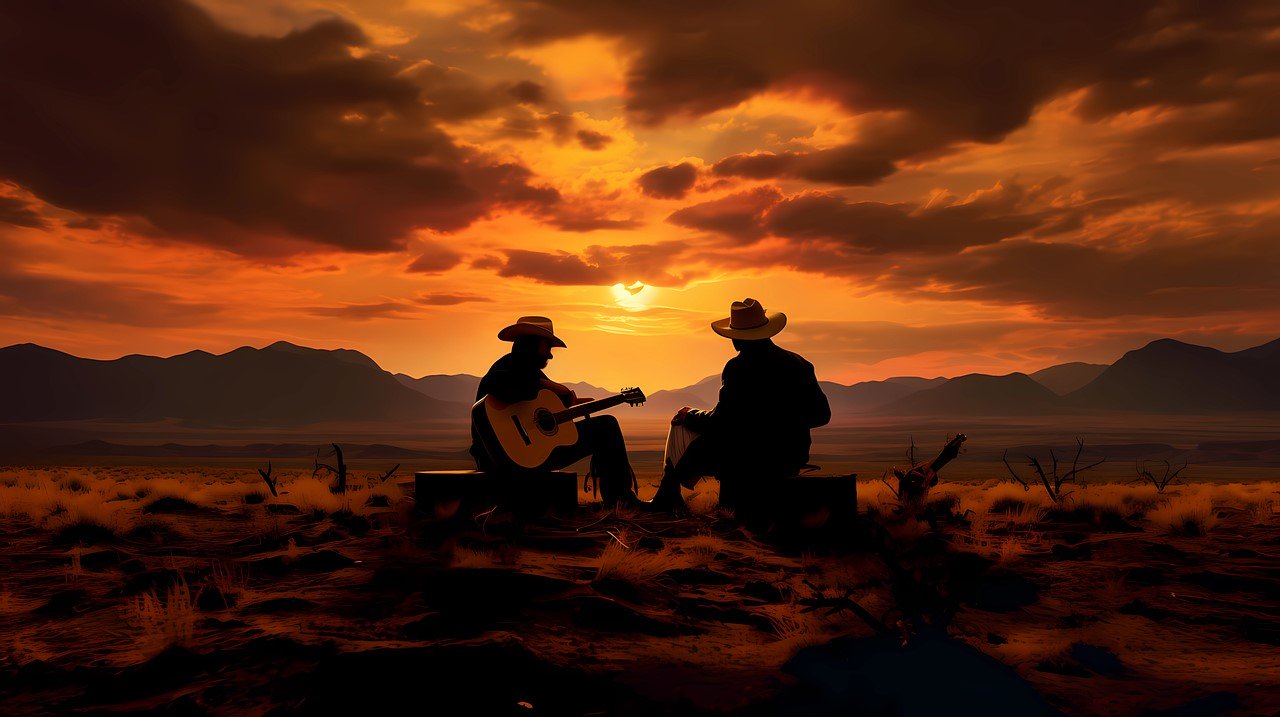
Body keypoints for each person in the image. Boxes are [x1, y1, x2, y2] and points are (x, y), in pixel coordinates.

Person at [648, 298, 831, 520]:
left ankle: (668, 495)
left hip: (744, 458)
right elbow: (822, 415)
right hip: (790, 456)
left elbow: (721, 423)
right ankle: (669, 495)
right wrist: (785, 421)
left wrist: (690, 415)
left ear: (736, 338)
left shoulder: (738, 368)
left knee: (680, 425)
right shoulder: (799, 364)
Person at [469, 315, 643, 508]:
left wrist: (571, 403)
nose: (550, 355)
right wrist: (552, 386)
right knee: (607, 427)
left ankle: (619, 499)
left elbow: (540, 406)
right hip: (504, 461)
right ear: (532, 344)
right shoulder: (505, 368)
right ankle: (621, 499)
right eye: (547, 347)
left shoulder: (528, 370)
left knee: (603, 425)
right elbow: (502, 386)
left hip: (531, 454)